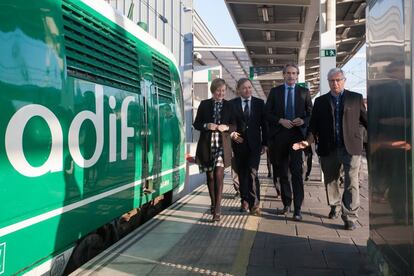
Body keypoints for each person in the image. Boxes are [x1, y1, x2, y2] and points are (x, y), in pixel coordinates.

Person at [293, 68, 367, 230]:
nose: (335, 83)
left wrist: (369, 141)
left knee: (351, 181)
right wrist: (307, 141)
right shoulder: (320, 101)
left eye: (338, 80)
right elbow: (314, 126)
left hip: (351, 147)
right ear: (328, 83)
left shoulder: (356, 98)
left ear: (344, 80)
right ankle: (335, 206)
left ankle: (350, 216)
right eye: (332, 81)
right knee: (331, 180)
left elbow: (365, 121)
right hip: (328, 147)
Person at [265, 64, 312, 221]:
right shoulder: (275, 92)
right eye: (288, 73)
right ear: (283, 75)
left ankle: (297, 209)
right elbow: (267, 113)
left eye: (294, 73)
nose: (291, 76)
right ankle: (287, 203)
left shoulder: (304, 92)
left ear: (297, 76)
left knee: (297, 172)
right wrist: (280, 120)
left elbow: (311, 114)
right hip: (280, 136)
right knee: (282, 172)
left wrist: (302, 120)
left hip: (297, 137)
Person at [193, 78, 236, 222]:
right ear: (213, 90)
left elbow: (236, 125)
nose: (221, 93)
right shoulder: (204, 104)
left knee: (218, 174)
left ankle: (217, 209)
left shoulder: (229, 106)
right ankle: (213, 203)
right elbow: (196, 124)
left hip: (222, 146)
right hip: (206, 146)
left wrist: (228, 128)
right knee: (210, 176)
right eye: (219, 90)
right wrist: (207, 126)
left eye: (223, 90)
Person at [230, 78, 267, 215]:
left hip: (254, 144)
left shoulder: (259, 103)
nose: (248, 90)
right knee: (242, 174)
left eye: (249, 87)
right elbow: (228, 123)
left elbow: (264, 125)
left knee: (252, 173)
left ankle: (255, 204)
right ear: (238, 89)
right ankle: (244, 201)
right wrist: (232, 133)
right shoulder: (232, 104)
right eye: (244, 88)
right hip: (238, 144)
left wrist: (265, 143)